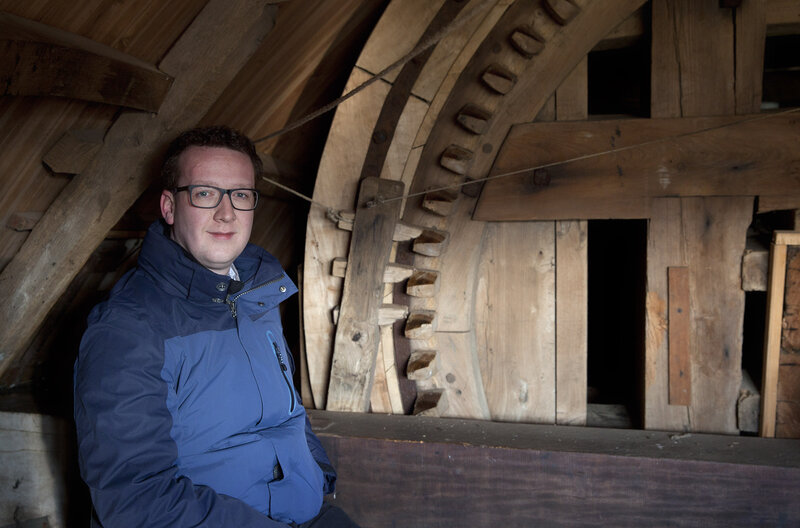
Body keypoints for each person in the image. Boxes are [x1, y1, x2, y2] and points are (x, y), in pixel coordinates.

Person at [74, 126, 358, 527]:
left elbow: (287, 410)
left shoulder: (259, 295)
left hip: (310, 513)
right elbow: (136, 501)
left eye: (240, 195)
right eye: (205, 193)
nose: (227, 213)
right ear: (170, 207)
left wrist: (317, 475)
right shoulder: (127, 330)